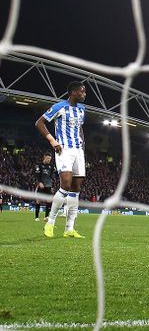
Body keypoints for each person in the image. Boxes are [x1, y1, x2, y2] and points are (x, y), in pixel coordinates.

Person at [36, 81, 87, 239]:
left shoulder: (82, 109)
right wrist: (52, 140)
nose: (84, 94)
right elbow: (40, 123)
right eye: (82, 91)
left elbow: (80, 128)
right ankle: (50, 223)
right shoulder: (60, 107)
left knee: (76, 188)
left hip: (78, 151)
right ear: (73, 92)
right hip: (63, 149)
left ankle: (69, 228)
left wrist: (83, 146)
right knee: (65, 184)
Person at [34, 153, 56, 222]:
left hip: (48, 186)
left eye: (49, 159)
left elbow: (52, 176)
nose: (48, 160)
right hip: (41, 185)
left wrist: (52, 185)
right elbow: (37, 175)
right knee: (38, 201)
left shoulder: (51, 167)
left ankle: (46, 216)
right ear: (44, 157)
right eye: (47, 158)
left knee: (49, 200)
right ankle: (36, 217)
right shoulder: (39, 165)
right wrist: (39, 182)